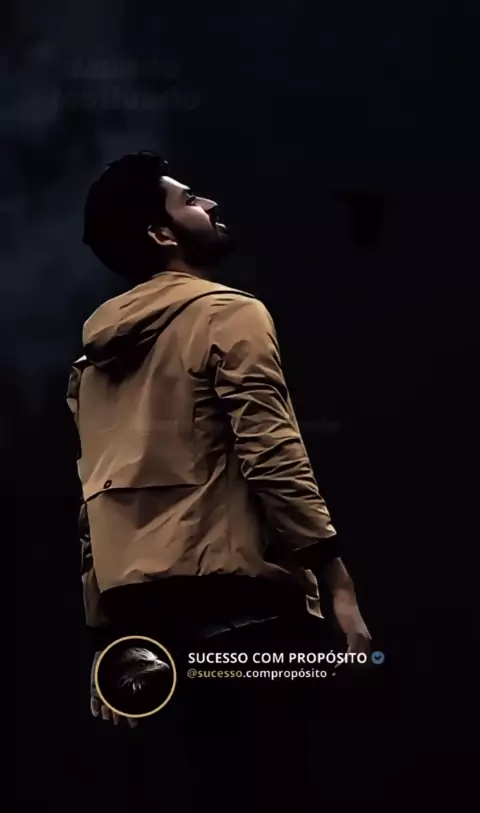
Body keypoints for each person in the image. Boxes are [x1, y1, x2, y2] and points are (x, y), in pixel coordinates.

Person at [67, 151, 371, 749]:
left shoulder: (91, 366)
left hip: (144, 630)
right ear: (161, 234)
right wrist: (337, 582)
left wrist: (107, 638)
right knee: (282, 782)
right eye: (188, 200)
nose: (208, 204)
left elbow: (92, 506)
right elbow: (273, 453)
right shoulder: (229, 313)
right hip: (245, 611)